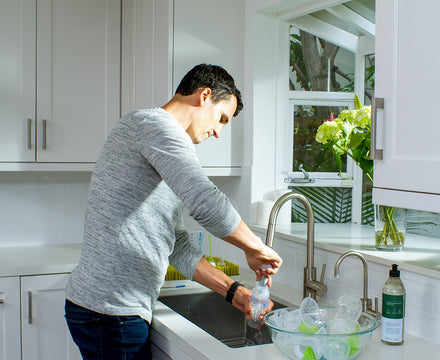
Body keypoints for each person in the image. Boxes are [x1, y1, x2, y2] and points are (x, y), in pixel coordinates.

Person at [64, 64, 283, 360]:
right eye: (221, 118)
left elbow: (175, 244)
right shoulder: (154, 126)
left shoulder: (154, 137)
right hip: (111, 311)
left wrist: (235, 292)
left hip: (107, 308)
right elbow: (206, 202)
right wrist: (256, 247)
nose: (218, 132)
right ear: (204, 95)